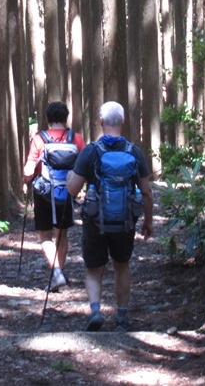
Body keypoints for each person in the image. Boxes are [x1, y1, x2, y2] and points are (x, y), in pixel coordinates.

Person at [66, 101, 153, 332]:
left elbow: (73, 189)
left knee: (94, 269)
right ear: (123, 121)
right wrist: (148, 221)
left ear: (101, 121)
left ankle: (95, 311)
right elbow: (146, 192)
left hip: (95, 221)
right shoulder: (134, 152)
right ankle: (122, 317)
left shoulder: (91, 151)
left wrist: (68, 178)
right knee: (121, 265)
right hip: (125, 221)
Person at [23, 101, 86, 291]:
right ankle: (59, 273)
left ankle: (57, 273)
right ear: (66, 118)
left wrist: (26, 182)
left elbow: (29, 168)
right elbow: (83, 166)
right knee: (62, 234)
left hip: (44, 193)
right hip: (66, 192)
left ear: (48, 119)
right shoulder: (76, 138)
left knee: (45, 237)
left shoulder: (39, 139)